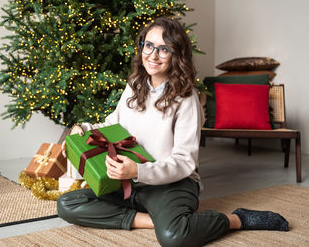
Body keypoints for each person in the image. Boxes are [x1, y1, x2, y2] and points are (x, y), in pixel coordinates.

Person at [57, 17, 288, 247]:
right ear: (141, 47)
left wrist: (138, 170)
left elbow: (184, 162)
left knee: (174, 237)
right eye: (148, 45)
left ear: (176, 55)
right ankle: (151, 220)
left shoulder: (187, 98)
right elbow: (112, 126)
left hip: (172, 184)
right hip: (130, 182)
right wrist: (83, 129)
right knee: (67, 204)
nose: (153, 55)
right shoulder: (134, 85)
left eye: (164, 49)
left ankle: (236, 219)